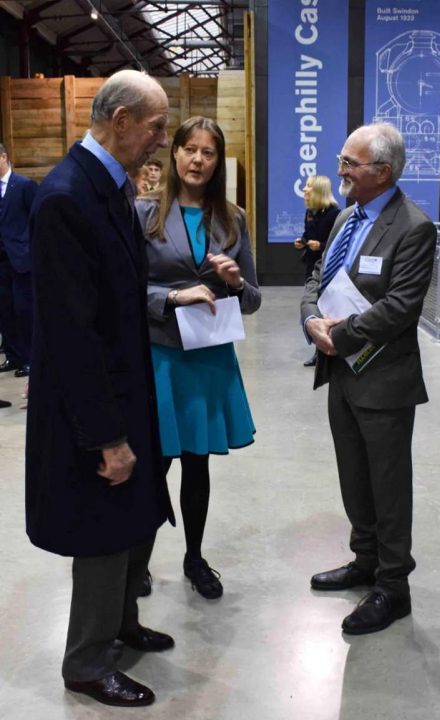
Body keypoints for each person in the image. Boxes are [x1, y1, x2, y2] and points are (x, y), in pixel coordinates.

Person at [26, 69, 174, 708]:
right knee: (102, 527)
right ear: (120, 122)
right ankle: (86, 661)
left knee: (132, 517)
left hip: (125, 394)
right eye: (157, 127)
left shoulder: (107, 188)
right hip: (94, 410)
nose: (162, 140)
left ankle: (119, 625)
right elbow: (71, 334)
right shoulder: (66, 198)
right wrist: (107, 437)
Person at [300, 122, 437, 635]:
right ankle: (364, 561)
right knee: (354, 475)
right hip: (343, 372)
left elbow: (402, 306)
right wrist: (311, 318)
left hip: (383, 379)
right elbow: (320, 275)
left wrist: (344, 334)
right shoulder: (346, 219)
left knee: (387, 483)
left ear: (381, 172)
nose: (340, 171)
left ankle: (393, 586)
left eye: (349, 163)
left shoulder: (413, 227)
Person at [137, 116, 261, 600]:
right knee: (155, 463)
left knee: (197, 462)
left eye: (208, 153)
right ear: (174, 154)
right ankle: (138, 560)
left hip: (208, 354)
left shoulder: (234, 219)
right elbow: (126, 288)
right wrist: (171, 298)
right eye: (190, 149)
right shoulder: (143, 213)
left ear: (217, 162)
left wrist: (232, 282)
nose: (198, 160)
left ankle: (194, 557)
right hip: (161, 354)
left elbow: (252, 300)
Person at [293, 175, 339, 366]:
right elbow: (308, 234)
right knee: (314, 307)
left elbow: (336, 243)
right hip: (312, 267)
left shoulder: (335, 214)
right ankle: (319, 350)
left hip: (329, 270)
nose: (304, 190)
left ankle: (330, 347)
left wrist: (319, 245)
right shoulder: (310, 212)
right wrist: (302, 242)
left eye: (309, 187)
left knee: (328, 309)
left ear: (319, 191)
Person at [0, 142, 37, 378]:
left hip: (22, 260)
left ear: (3, 157)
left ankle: (30, 359)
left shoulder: (23, 185)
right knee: (5, 312)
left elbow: (37, 219)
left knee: (25, 311)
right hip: (1, 262)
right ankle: (12, 356)